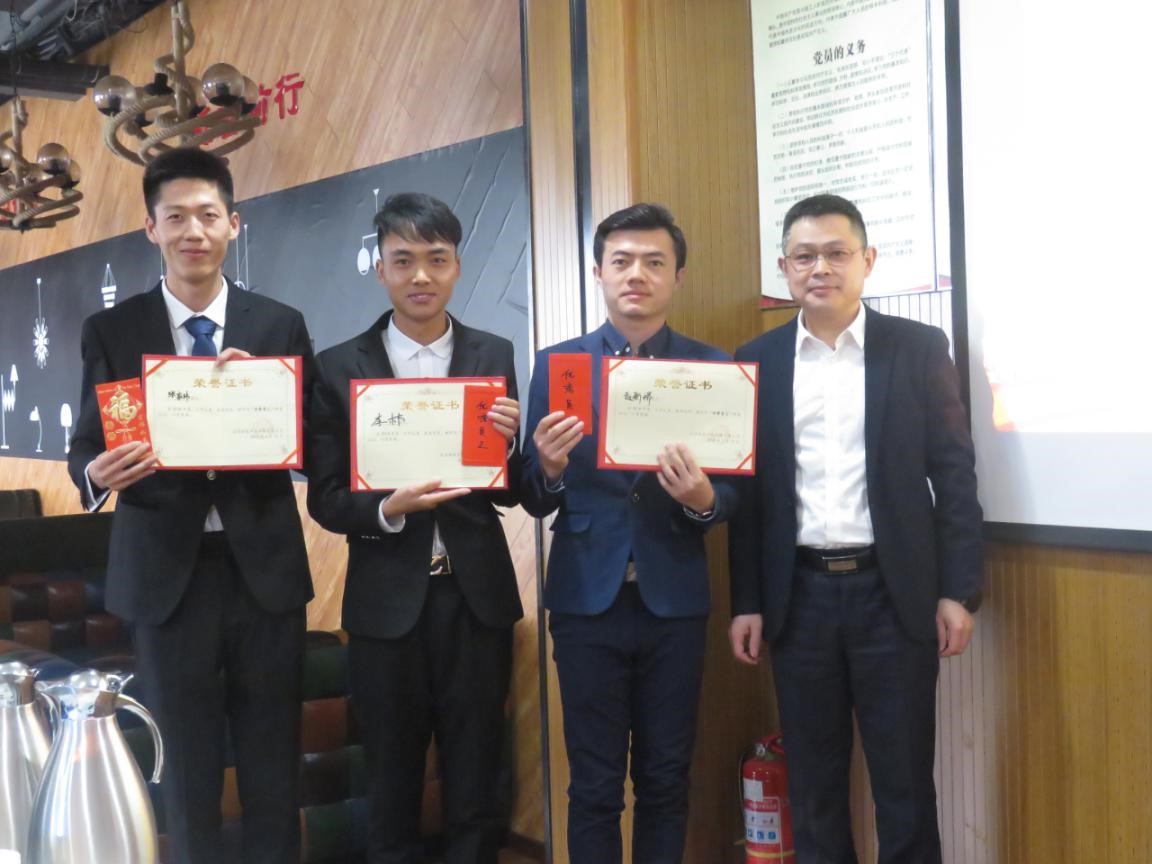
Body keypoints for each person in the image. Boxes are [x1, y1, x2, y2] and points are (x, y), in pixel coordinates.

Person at [67, 147, 314, 864]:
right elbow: (85, 446)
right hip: (163, 576)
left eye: (208, 215)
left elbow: (313, 440)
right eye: (175, 217)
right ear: (151, 228)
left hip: (263, 570)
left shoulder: (279, 325)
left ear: (234, 224)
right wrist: (96, 472)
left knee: (274, 758)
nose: (193, 232)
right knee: (184, 764)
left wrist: (272, 401)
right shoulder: (113, 330)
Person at [728, 193, 983, 863]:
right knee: (813, 787)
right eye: (804, 256)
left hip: (892, 597)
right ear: (784, 268)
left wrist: (957, 590)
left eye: (837, 253)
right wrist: (748, 601)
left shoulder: (917, 349)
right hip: (799, 599)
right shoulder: (756, 360)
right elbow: (749, 498)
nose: (821, 268)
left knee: (904, 785)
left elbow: (954, 476)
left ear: (867, 260)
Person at [306, 192, 524, 864]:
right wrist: (388, 508)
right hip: (386, 602)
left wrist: (513, 450)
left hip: (476, 597)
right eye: (403, 260)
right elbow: (326, 498)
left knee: (476, 771)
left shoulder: (493, 352)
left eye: (437, 258)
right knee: (392, 774)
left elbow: (509, 490)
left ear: (457, 265)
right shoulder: (338, 366)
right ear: (381, 269)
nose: (421, 275)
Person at [522, 203, 738, 863]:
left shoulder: (712, 368)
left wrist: (705, 500)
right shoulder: (558, 365)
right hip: (587, 599)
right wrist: (549, 468)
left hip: (674, 601)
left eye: (653, 261)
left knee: (666, 779)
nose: (636, 274)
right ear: (599, 272)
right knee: (593, 785)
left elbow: (736, 490)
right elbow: (531, 494)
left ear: (677, 276)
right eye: (621, 261)